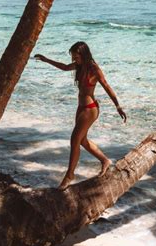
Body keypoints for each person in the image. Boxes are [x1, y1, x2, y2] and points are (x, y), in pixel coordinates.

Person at [34, 41, 127, 190]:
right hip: (81, 108)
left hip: (90, 109)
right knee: (82, 140)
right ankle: (105, 160)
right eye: (73, 57)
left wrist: (118, 106)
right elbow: (64, 67)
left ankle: (70, 174)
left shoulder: (94, 69)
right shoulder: (79, 66)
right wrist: (46, 59)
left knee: (74, 139)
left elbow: (107, 86)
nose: (74, 60)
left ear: (83, 55)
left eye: (76, 57)